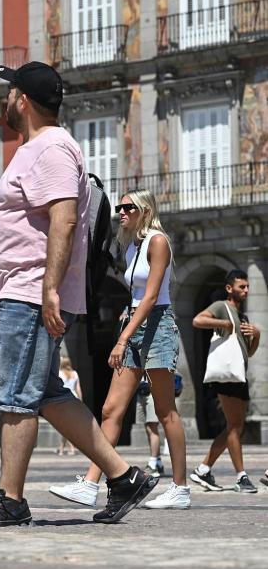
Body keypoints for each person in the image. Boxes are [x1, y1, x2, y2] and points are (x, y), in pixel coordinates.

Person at [0, 62, 157, 528]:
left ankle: (10, 499)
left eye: (10, 92)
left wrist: (49, 289)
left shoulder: (51, 148)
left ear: (23, 100)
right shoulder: (36, 150)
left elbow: (64, 219)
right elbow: (35, 218)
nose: (5, 99)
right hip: (25, 287)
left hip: (30, 291)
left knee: (13, 393)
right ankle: (124, 477)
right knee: (42, 391)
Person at [51, 190, 190, 510]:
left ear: (145, 210)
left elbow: (153, 297)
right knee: (112, 409)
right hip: (136, 324)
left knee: (165, 410)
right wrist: (127, 320)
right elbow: (138, 296)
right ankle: (90, 483)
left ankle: (180, 488)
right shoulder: (133, 247)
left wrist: (122, 338)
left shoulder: (157, 241)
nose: (122, 213)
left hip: (157, 326)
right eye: (120, 208)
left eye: (129, 208)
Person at [190, 269, 261, 494]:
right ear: (230, 288)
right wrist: (224, 323)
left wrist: (256, 336)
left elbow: (247, 353)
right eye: (242, 287)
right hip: (226, 378)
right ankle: (241, 476)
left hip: (238, 374)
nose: (246, 290)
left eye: (247, 287)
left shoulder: (244, 317)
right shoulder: (222, 307)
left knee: (235, 426)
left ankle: (203, 469)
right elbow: (197, 320)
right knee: (235, 426)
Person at [57, 359, 82, 455]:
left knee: (64, 426)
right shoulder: (75, 374)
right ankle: (64, 448)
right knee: (68, 426)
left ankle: (67, 448)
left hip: (63, 400)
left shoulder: (59, 373)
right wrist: (80, 401)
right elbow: (78, 388)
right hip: (74, 399)